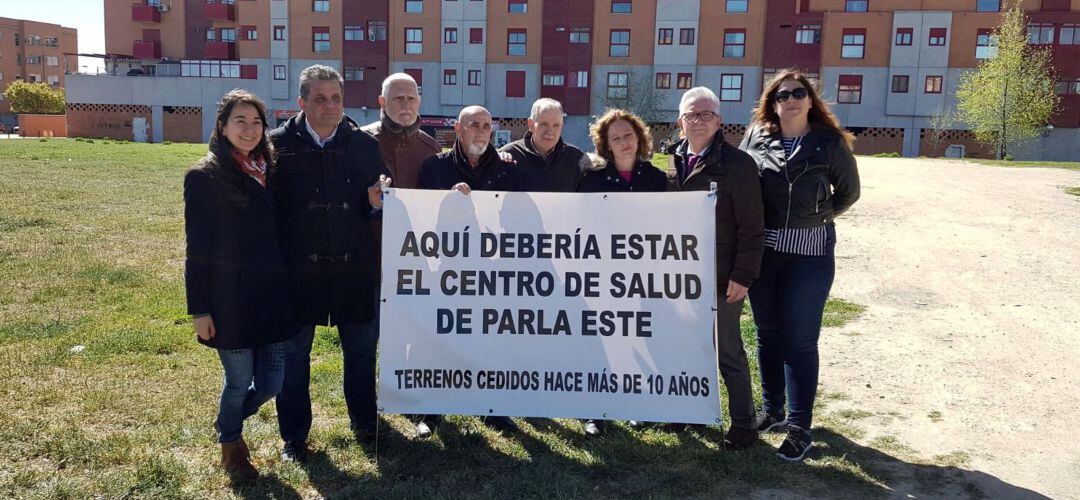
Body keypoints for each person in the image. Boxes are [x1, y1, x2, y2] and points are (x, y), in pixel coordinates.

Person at [268, 65, 391, 462]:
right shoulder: (275, 146)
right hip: (297, 271)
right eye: (319, 98)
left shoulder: (364, 145)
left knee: (360, 350)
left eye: (335, 97)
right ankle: (294, 436)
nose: (329, 105)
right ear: (301, 102)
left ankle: (365, 422)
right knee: (294, 356)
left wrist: (376, 205)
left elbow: (380, 204)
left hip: (353, 267)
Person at [739, 69, 861, 462]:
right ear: (772, 103)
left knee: (800, 340)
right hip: (766, 253)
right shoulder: (757, 137)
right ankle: (773, 410)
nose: (790, 99)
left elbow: (849, 193)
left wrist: (818, 217)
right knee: (767, 334)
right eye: (782, 94)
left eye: (798, 92)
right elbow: (742, 184)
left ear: (810, 100)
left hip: (810, 257)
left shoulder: (828, 142)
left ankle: (799, 427)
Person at [183, 89, 296, 481]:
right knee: (237, 382)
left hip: (273, 297)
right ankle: (230, 442)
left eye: (256, 122)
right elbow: (196, 249)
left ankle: (223, 424)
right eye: (240, 121)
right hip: (230, 299)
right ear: (222, 126)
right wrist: (199, 310)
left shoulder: (269, 170)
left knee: (271, 383)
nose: (249, 129)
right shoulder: (205, 175)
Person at [663, 86, 765, 451]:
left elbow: (753, 228)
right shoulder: (673, 161)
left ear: (719, 120)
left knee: (727, 351)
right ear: (680, 122)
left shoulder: (738, 165)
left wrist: (743, 275)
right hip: (680, 276)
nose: (699, 121)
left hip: (722, 278)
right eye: (692, 114)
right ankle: (687, 410)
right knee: (686, 346)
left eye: (707, 114)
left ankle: (743, 425)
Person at [415, 105, 522, 436]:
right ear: (457, 130)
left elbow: (518, 220)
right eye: (473, 124)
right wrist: (446, 203)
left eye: (487, 125)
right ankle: (431, 410)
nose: (480, 131)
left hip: (492, 273)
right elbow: (422, 220)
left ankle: (491, 407)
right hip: (447, 271)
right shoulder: (434, 167)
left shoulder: (509, 169)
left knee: (489, 342)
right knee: (440, 339)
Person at [575, 109, 667, 436]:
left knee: (636, 339)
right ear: (606, 145)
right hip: (601, 274)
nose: (624, 142)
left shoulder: (657, 179)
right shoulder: (592, 179)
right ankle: (593, 411)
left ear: (639, 138)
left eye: (628, 135)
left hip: (643, 276)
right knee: (598, 340)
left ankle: (636, 406)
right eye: (616, 138)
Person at [500, 98, 591, 192]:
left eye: (556, 125)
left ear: (562, 126)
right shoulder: (508, 156)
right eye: (544, 124)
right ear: (531, 125)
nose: (550, 131)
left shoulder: (577, 160)